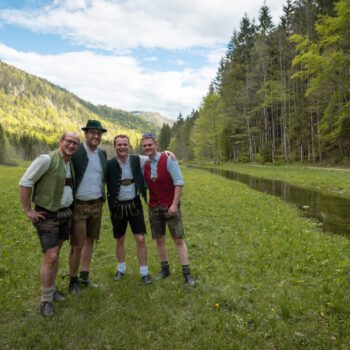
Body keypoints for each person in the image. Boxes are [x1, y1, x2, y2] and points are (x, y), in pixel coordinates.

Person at [19, 132, 80, 316]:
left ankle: (52, 291)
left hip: (65, 213)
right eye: (69, 141)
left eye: (75, 143)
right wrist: (28, 210)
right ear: (61, 141)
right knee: (51, 256)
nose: (71, 145)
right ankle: (45, 299)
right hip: (47, 214)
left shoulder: (70, 163)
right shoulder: (47, 159)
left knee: (57, 252)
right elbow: (25, 181)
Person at [141, 132, 195, 286]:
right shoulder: (143, 164)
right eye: (144, 146)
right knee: (159, 239)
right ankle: (165, 269)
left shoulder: (168, 159)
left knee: (178, 239)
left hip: (170, 205)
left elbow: (178, 182)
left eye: (150, 145)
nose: (147, 148)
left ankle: (187, 273)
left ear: (156, 144)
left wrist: (174, 204)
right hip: (154, 207)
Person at [106, 135, 152, 285]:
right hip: (117, 206)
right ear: (115, 146)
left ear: (129, 145)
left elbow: (154, 155)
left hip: (134, 205)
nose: (122, 147)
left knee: (140, 239)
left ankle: (144, 272)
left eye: (125, 144)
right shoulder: (109, 164)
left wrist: (168, 153)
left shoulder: (137, 159)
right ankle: (121, 269)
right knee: (119, 239)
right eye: (119, 145)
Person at [68, 120, 108, 294]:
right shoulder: (76, 152)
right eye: (92, 132)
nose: (96, 136)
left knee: (90, 240)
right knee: (77, 244)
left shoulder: (102, 155)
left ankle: (84, 276)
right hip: (79, 205)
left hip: (97, 204)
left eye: (99, 133)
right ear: (85, 134)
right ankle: (73, 280)